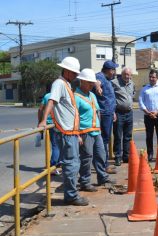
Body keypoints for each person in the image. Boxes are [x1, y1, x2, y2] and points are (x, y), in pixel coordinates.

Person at [38, 56, 88, 206]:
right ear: (66, 71)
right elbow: (51, 101)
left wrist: (77, 133)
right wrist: (42, 121)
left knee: (73, 164)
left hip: (71, 132)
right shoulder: (59, 84)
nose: (75, 76)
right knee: (71, 165)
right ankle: (71, 196)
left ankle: (71, 194)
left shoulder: (66, 84)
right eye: (73, 73)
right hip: (65, 133)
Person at [74, 68, 115, 192]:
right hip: (85, 131)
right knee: (87, 158)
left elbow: (97, 111)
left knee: (101, 155)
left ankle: (102, 177)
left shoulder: (92, 95)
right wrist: (77, 134)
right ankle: (85, 182)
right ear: (82, 81)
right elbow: (74, 116)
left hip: (96, 131)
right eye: (89, 83)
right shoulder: (76, 96)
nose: (92, 85)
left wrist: (100, 127)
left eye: (92, 83)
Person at [93, 60, 118, 174]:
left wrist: (113, 112)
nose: (114, 72)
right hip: (103, 114)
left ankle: (104, 164)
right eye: (113, 70)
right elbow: (96, 81)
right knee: (104, 140)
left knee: (106, 139)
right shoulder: (101, 76)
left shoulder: (108, 80)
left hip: (108, 113)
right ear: (109, 70)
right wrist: (98, 87)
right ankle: (104, 165)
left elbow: (109, 98)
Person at [138, 69, 158, 162]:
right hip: (148, 116)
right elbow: (141, 102)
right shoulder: (144, 89)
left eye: (153, 77)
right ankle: (150, 153)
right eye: (150, 77)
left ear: (157, 78)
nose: (151, 79)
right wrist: (148, 112)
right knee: (149, 136)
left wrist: (157, 112)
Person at [112, 67, 135, 166]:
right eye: (125, 74)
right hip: (119, 113)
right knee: (118, 136)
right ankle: (117, 157)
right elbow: (111, 97)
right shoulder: (114, 82)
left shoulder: (132, 83)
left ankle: (126, 156)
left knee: (128, 136)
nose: (127, 76)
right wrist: (113, 112)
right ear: (121, 74)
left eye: (129, 75)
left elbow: (132, 94)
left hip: (129, 113)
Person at [38, 85, 61, 175]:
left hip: (49, 124)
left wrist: (40, 121)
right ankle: (54, 165)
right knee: (58, 145)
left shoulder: (47, 96)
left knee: (55, 146)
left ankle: (52, 166)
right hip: (59, 124)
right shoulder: (61, 95)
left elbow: (40, 109)